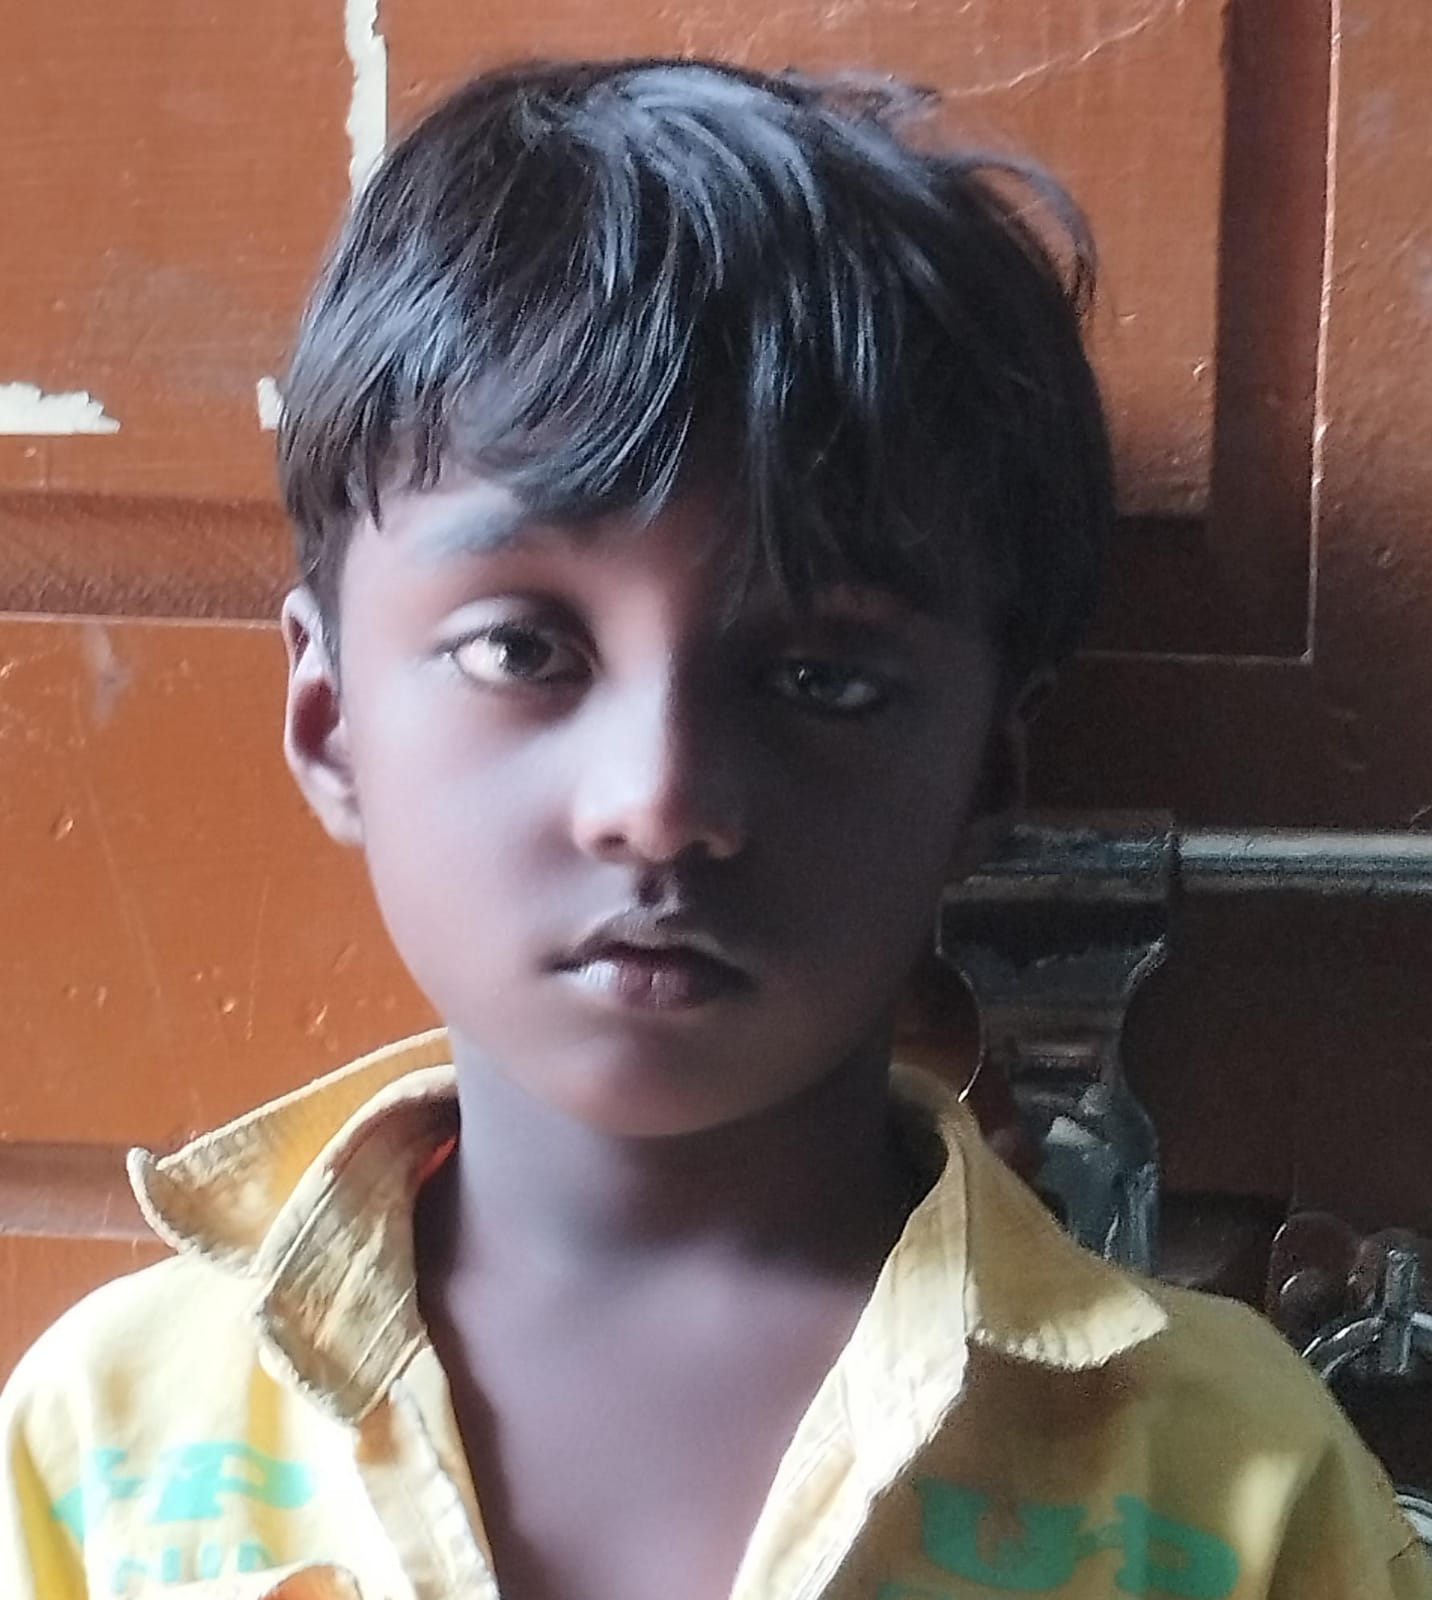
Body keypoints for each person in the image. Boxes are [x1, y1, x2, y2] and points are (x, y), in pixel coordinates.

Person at [1, 57, 1426, 1600]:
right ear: (330, 718)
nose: (661, 800)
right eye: (521, 648)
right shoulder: (108, 1448)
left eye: (823, 679)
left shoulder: (1230, 1485)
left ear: (983, 778)